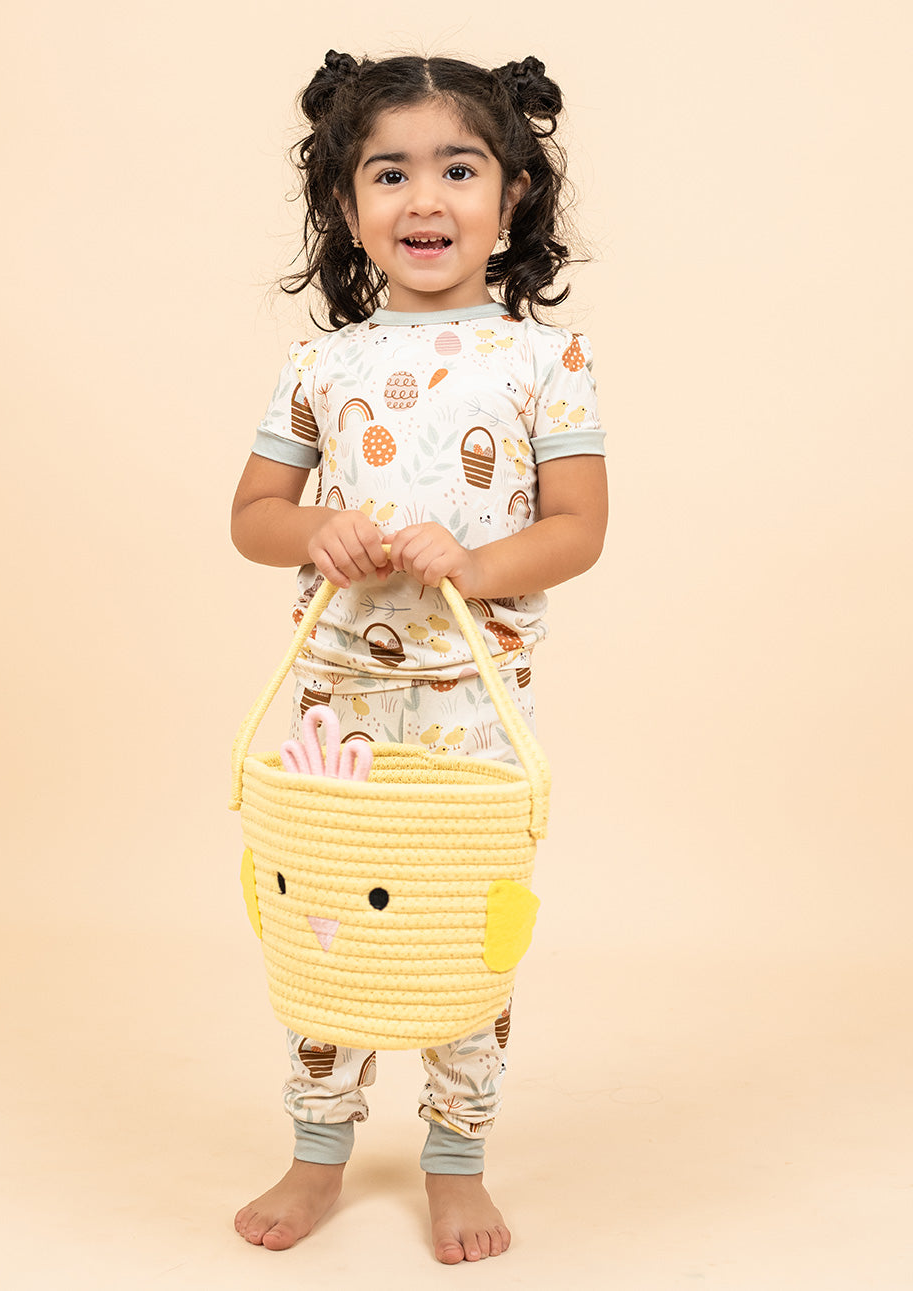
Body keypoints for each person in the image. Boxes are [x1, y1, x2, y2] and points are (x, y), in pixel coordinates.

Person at [229, 50, 608, 1264]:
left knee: (461, 927)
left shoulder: (546, 363)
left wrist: (473, 559)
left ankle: (457, 1155)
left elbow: (578, 531)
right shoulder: (317, 366)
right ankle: (316, 1147)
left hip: (469, 707)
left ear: (513, 198)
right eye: (388, 173)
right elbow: (250, 516)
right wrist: (313, 530)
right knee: (320, 915)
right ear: (346, 207)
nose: (424, 199)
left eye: (459, 168)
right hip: (332, 698)